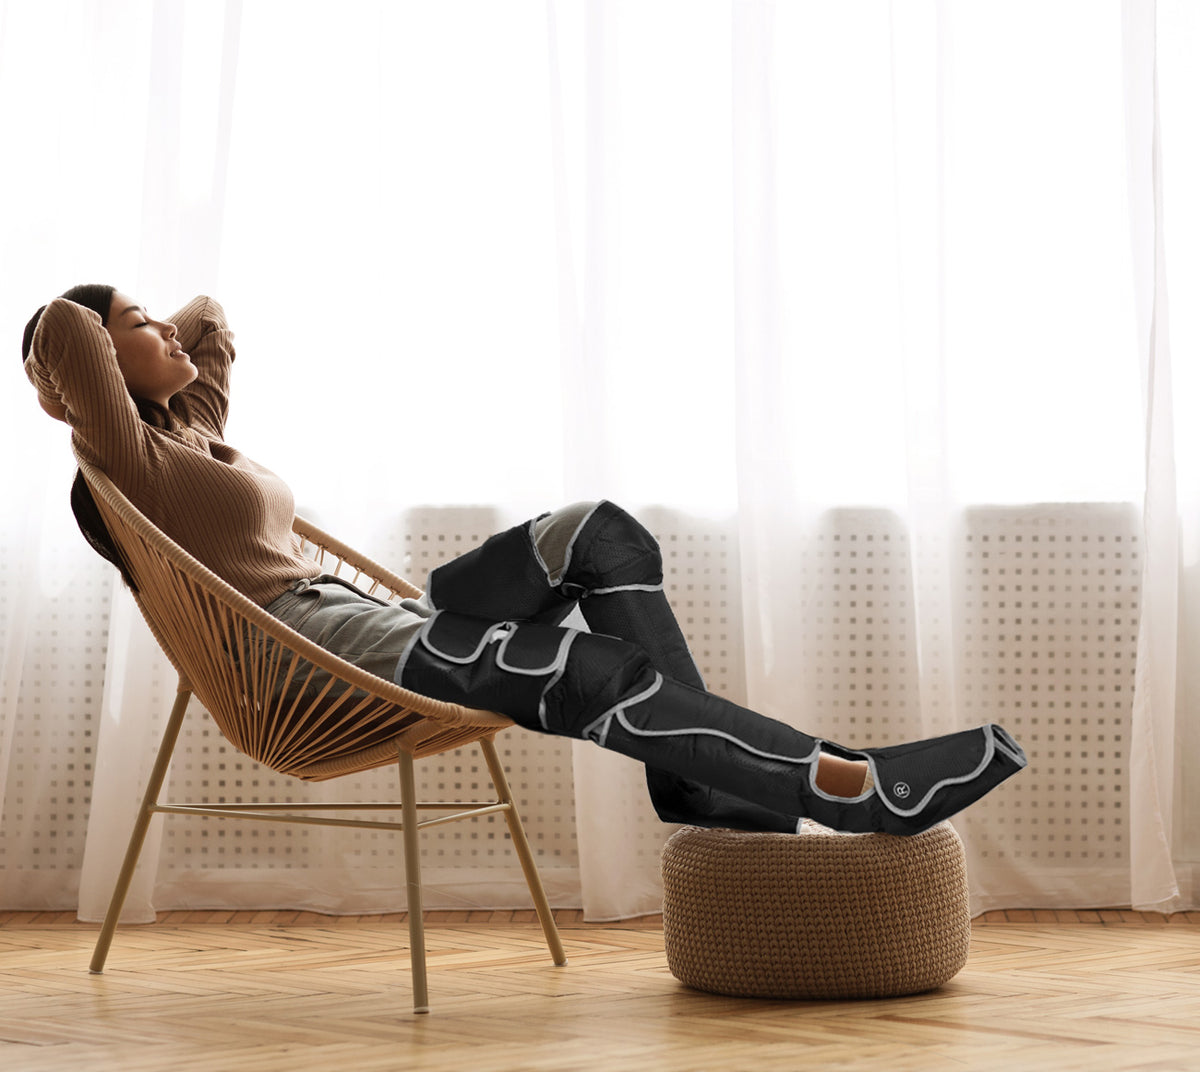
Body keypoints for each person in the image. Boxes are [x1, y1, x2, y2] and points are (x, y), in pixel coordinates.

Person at [23, 284, 1026, 837]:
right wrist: (71, 362)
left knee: (599, 532)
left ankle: (708, 790)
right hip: (310, 656)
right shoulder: (130, 461)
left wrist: (154, 331)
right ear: (95, 373)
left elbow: (211, 318)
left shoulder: (192, 435)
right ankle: (849, 787)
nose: (167, 328)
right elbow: (65, 328)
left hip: (381, 624)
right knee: (585, 672)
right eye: (137, 326)